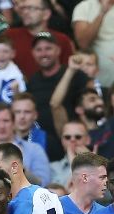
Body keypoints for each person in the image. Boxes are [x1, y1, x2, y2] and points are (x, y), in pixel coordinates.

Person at [26, 32, 90, 162]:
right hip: (45, 145)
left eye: (48, 48)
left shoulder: (76, 75)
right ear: (33, 53)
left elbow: (90, 105)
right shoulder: (32, 81)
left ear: (58, 50)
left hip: (73, 141)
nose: (44, 53)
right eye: (39, 49)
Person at [4, 0, 74, 78]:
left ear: (46, 14)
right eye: (24, 9)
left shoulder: (62, 40)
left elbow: (69, 73)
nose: (25, 12)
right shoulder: (10, 36)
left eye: (31, 8)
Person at [49, 120, 93, 188]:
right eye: (67, 137)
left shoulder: (100, 165)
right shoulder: (53, 167)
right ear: (62, 141)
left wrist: (91, 162)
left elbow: (106, 194)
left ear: (88, 140)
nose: (72, 140)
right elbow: (59, 193)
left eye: (78, 137)